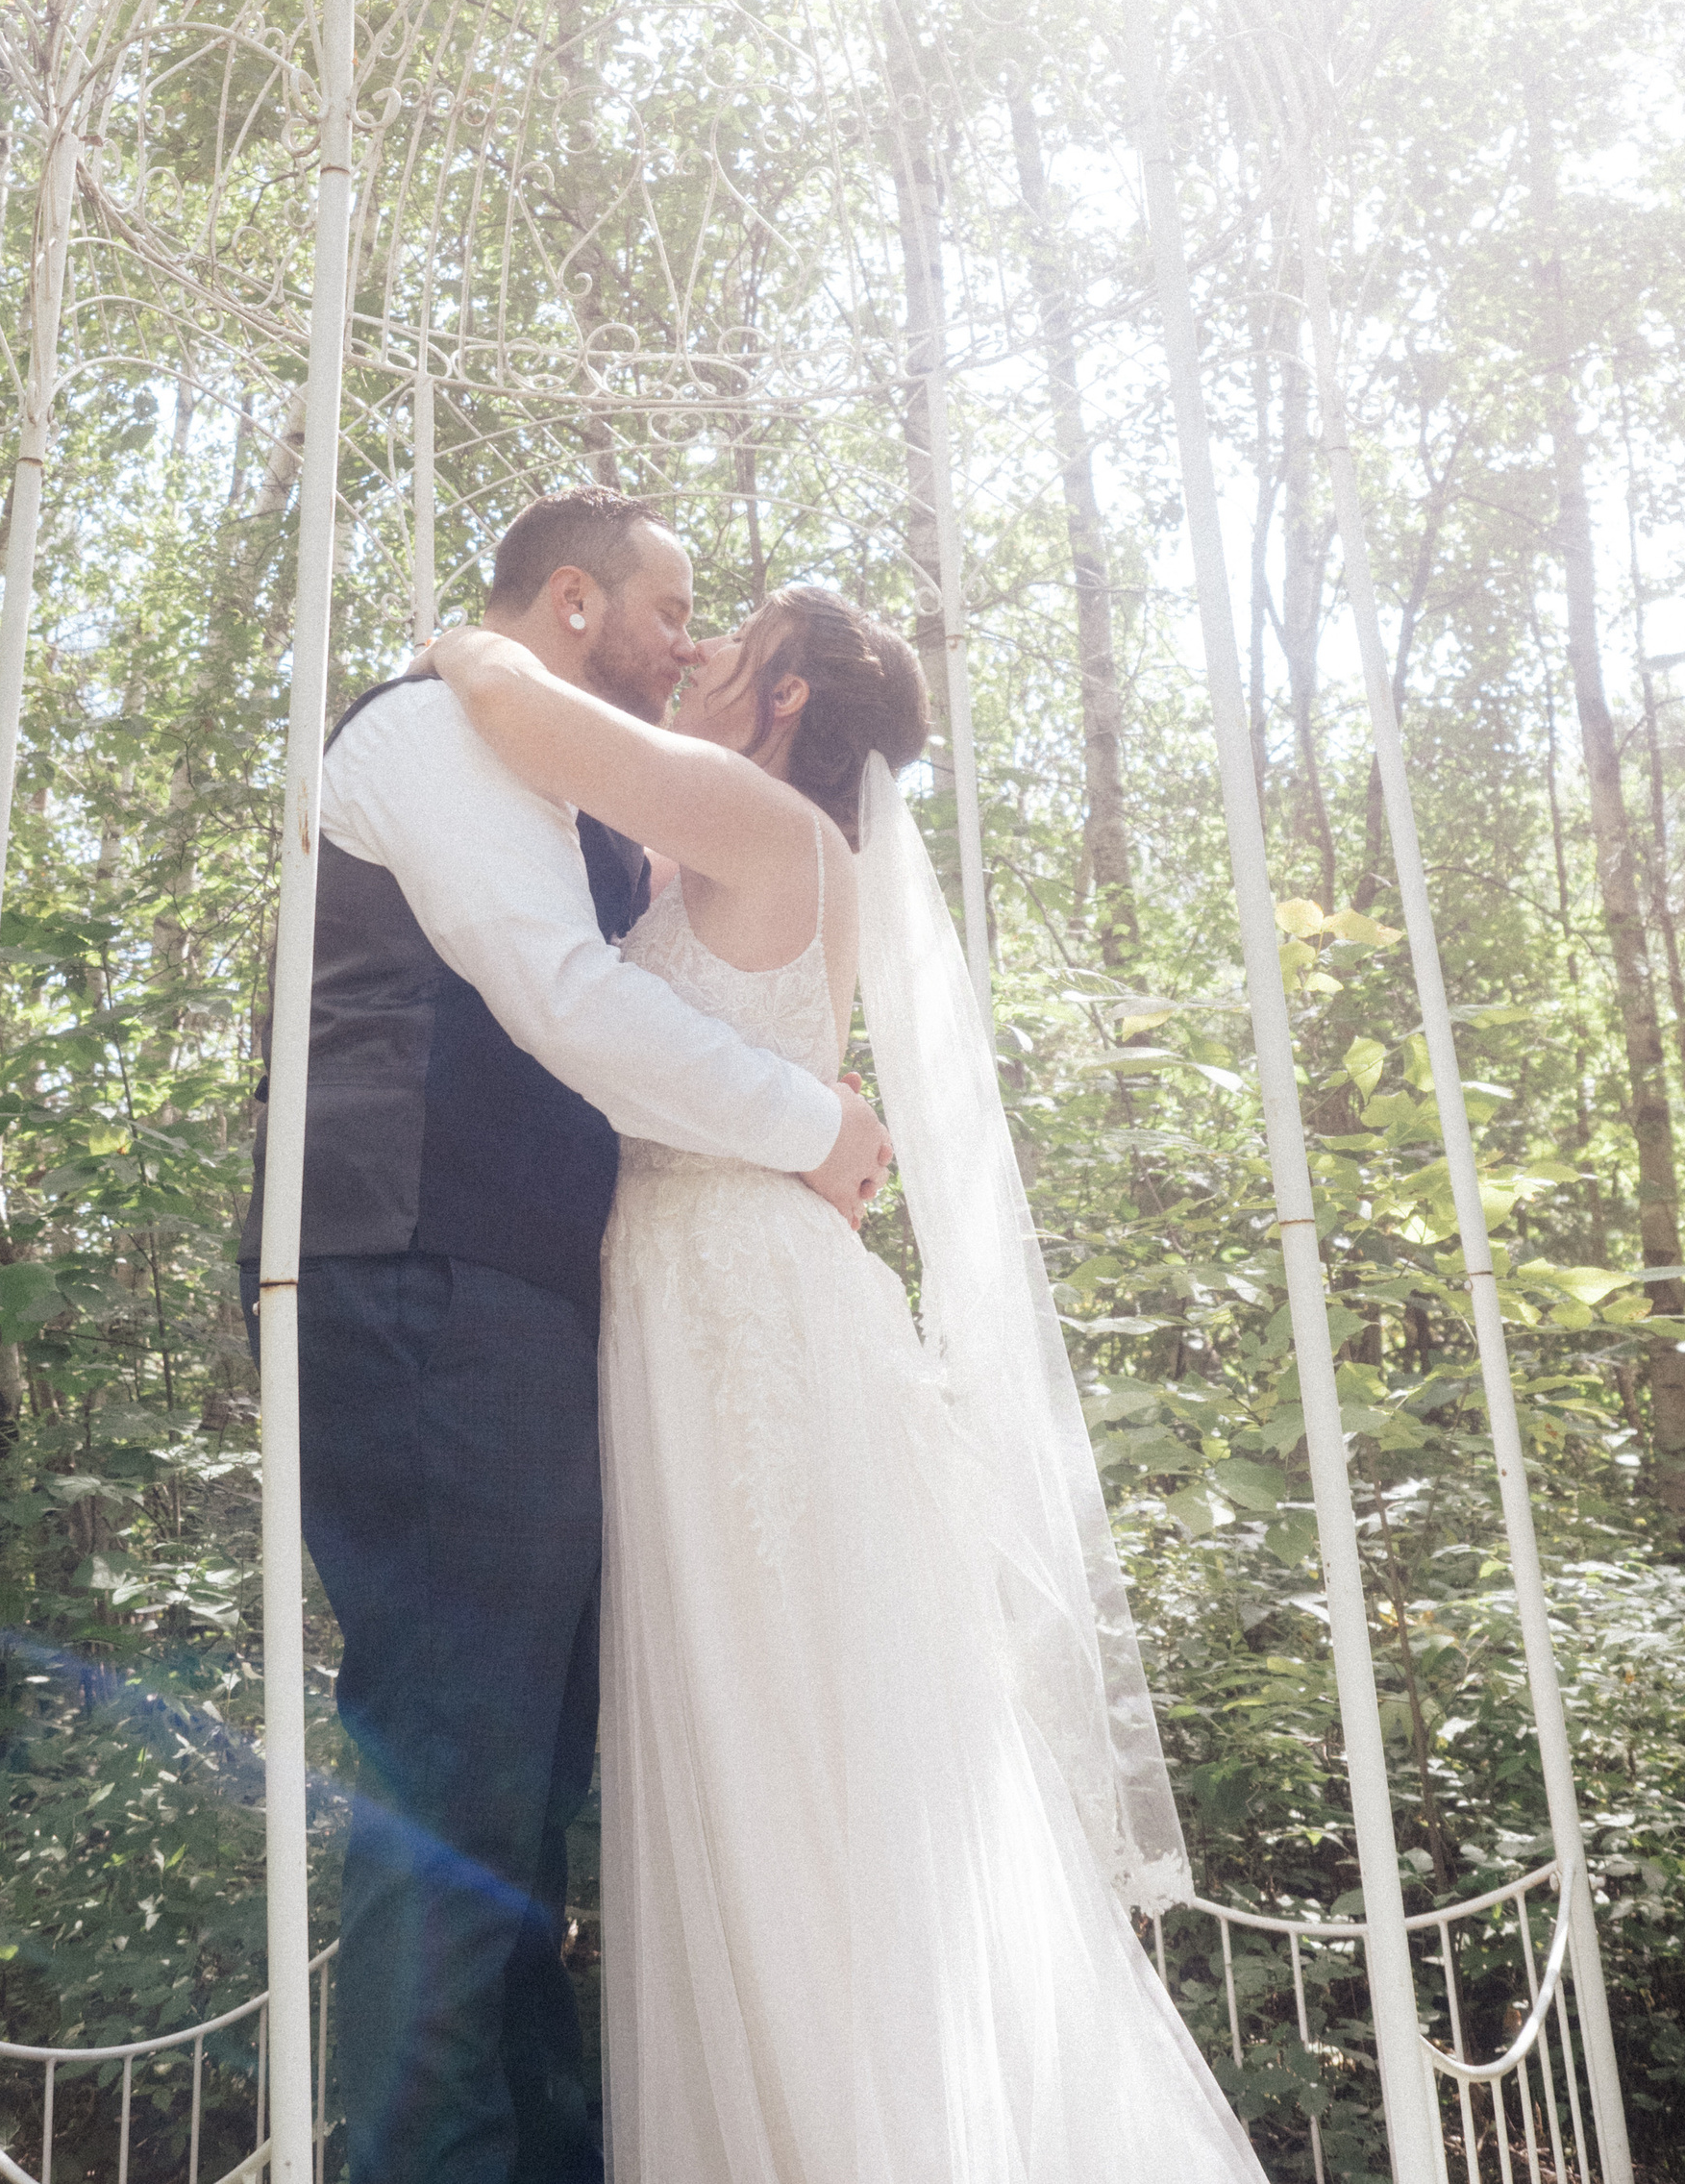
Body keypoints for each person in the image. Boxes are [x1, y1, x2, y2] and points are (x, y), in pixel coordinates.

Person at [429, 583, 1269, 2183]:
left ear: (794, 693)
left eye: (728, 634)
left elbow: (526, 717)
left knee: (791, 1768)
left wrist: (472, 639)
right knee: (774, 1757)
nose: (696, 651)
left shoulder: (752, 812)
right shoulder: (766, 846)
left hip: (737, 1308)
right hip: (711, 1293)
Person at [237, 490, 894, 2184]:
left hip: (521, 1299)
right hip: (411, 1266)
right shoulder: (428, 734)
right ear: (580, 601)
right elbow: (557, 996)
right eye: (676, 607)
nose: (693, 636)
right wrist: (808, 1124)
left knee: (519, 1788)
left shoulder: (581, 783)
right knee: (456, 1768)